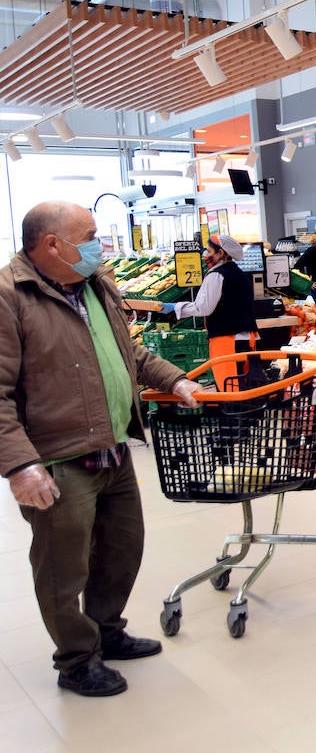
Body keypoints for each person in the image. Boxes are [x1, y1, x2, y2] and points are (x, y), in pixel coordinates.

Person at [0, 201, 201, 698]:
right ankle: (76, 660)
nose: (100, 244)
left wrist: (174, 380)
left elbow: (128, 350)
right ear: (51, 245)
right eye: (89, 235)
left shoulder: (92, 286)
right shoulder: (10, 296)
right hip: (57, 457)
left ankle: (107, 632)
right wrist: (21, 465)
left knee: (121, 550)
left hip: (112, 447)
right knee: (63, 567)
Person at [161, 234, 257, 391]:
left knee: (230, 389)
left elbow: (203, 308)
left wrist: (176, 307)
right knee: (244, 387)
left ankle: (234, 415)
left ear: (221, 253)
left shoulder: (217, 275)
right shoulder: (240, 274)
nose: (206, 254)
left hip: (227, 341)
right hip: (246, 339)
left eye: (210, 251)